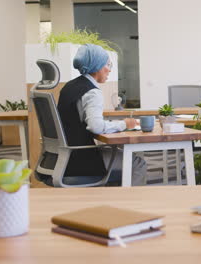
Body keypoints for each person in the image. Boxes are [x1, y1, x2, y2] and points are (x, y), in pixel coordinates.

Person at [57, 44, 147, 186]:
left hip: (64, 156)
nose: (109, 70)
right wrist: (125, 124)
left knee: (115, 152)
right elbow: (96, 127)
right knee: (138, 162)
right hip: (81, 159)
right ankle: (131, 204)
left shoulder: (69, 87)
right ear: (97, 66)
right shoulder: (92, 92)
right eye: (108, 65)